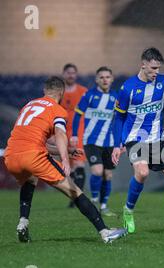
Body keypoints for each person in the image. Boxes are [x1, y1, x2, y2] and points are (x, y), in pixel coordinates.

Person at [4, 76, 126, 243]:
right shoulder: (57, 109)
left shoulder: (28, 105)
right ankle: (105, 232)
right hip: (32, 156)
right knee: (74, 191)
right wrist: (65, 160)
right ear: (61, 93)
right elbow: (60, 134)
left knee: (30, 179)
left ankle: (23, 222)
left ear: (44, 91)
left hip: (10, 156)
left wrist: (66, 151)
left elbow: (33, 141)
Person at [112, 47, 164, 234]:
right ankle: (128, 210)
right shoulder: (127, 88)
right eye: (153, 68)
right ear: (143, 65)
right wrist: (117, 144)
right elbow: (118, 118)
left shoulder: (162, 82)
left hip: (157, 139)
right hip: (135, 139)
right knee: (143, 172)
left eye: (158, 68)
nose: (156, 72)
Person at [71, 67, 118, 216]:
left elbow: (119, 121)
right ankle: (94, 199)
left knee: (108, 174)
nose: (105, 80)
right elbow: (77, 115)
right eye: (101, 77)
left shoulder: (116, 97)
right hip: (91, 140)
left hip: (109, 142)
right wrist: (74, 135)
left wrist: (120, 142)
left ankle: (104, 206)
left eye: (107, 77)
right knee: (97, 171)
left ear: (112, 79)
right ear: (97, 79)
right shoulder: (89, 95)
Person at [60, 63, 88, 208]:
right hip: (62, 132)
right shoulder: (60, 92)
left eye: (73, 73)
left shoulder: (83, 92)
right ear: (64, 74)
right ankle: (74, 195)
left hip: (79, 132)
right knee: (68, 169)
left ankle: (77, 198)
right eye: (68, 73)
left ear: (76, 75)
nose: (71, 75)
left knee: (79, 163)